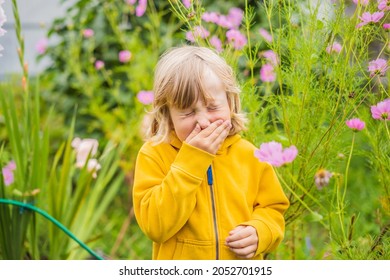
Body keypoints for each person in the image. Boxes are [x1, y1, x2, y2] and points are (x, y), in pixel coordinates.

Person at [132, 45, 290, 260]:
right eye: (187, 112)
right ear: (167, 115)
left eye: (213, 107)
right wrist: (191, 161)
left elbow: (272, 209)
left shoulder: (249, 155)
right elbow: (156, 226)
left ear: (230, 103)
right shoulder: (155, 155)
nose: (204, 122)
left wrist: (260, 232)